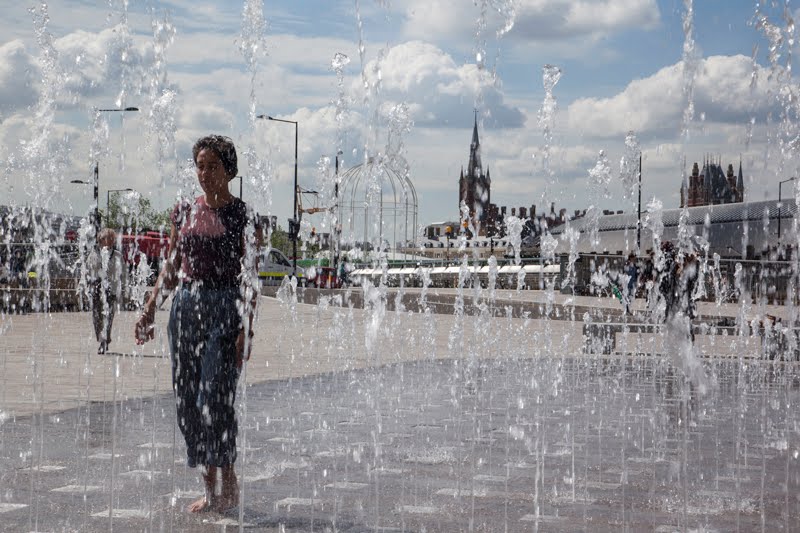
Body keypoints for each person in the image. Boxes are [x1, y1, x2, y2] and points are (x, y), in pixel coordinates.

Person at [134, 135, 261, 514]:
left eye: (213, 166)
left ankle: (228, 477)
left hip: (225, 307)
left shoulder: (243, 216)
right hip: (185, 309)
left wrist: (246, 329)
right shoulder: (183, 211)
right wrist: (151, 307)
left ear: (229, 170)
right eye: (200, 166)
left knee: (214, 398)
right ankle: (209, 487)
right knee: (188, 401)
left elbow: (251, 277)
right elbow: (171, 265)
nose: (204, 174)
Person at [91, 228, 127, 354]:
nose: (111, 240)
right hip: (96, 289)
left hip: (110, 290)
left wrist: (123, 290)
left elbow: (124, 274)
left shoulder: (117, 255)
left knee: (108, 317)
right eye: (109, 238)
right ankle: (102, 337)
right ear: (101, 239)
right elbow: (86, 271)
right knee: (96, 317)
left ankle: (104, 342)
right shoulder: (94, 253)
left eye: (113, 238)